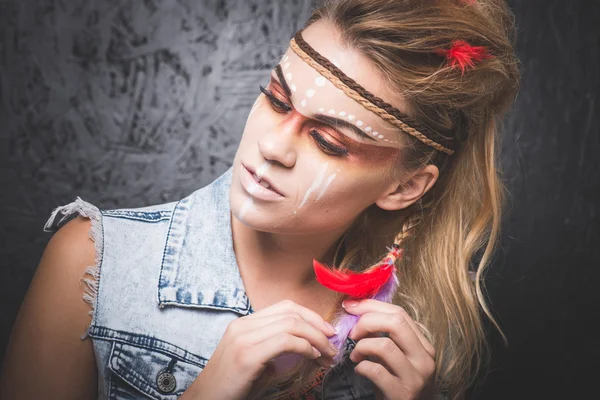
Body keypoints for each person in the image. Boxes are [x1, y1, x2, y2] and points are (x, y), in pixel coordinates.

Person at [0, 0, 521, 399]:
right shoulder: (95, 262)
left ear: (404, 186)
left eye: (329, 141)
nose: (272, 146)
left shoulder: (416, 333)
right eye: (276, 98)